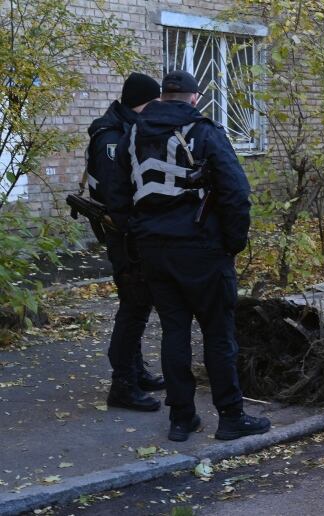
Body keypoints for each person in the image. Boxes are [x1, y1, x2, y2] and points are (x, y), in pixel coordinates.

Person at [107, 70, 270, 442]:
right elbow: (236, 193)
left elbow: (116, 197)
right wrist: (232, 243)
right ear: (194, 97)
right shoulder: (205, 132)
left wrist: (140, 230)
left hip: (153, 253)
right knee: (217, 335)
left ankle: (182, 420)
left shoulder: (133, 134)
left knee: (173, 333)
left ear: (163, 97)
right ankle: (231, 417)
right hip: (203, 250)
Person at [87, 72, 165, 412]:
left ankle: (135, 371)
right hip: (125, 235)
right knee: (133, 307)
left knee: (138, 304)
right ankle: (123, 384)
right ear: (144, 102)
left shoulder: (127, 129)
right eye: (155, 102)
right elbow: (115, 192)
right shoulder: (110, 138)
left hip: (134, 233)